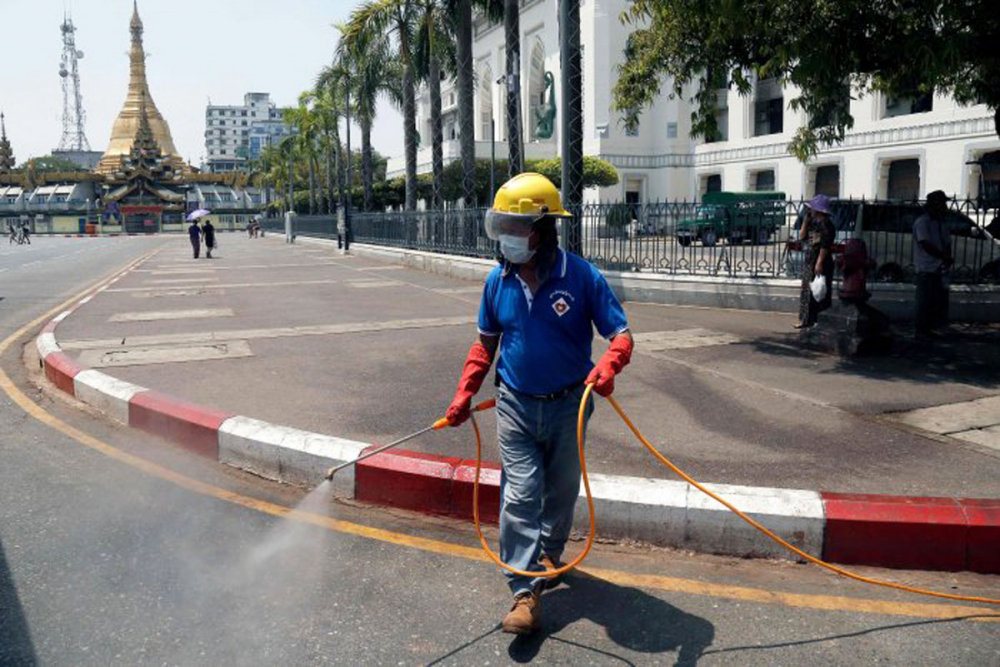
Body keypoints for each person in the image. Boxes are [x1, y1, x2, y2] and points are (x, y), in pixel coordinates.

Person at [445, 173, 634, 635]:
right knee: (521, 493)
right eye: (503, 227)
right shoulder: (497, 282)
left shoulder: (582, 277)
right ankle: (524, 590)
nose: (507, 238)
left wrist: (609, 366)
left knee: (562, 489)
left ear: (545, 229)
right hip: (515, 404)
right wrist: (465, 391)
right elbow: (484, 345)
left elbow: (621, 336)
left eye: (517, 227)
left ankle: (549, 553)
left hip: (570, 404)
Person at [913, 190, 953, 338]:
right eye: (943, 203)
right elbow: (925, 243)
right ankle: (921, 329)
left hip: (939, 267)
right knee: (924, 300)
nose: (945, 206)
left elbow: (947, 242)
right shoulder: (923, 222)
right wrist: (943, 256)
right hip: (926, 266)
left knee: (936, 300)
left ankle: (931, 327)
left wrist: (947, 257)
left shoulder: (941, 223)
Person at [795, 194, 835, 329]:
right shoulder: (813, 223)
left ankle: (820, 319)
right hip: (810, 259)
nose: (809, 211)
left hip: (820, 260)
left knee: (820, 291)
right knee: (807, 290)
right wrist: (805, 221)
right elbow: (801, 236)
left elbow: (825, 245)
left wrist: (819, 263)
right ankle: (806, 319)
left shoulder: (826, 225)